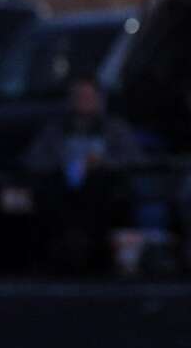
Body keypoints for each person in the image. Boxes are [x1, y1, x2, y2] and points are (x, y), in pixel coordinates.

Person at [21, 77, 143, 269]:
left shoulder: (114, 128)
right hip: (62, 188)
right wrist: (62, 163)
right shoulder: (55, 129)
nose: (83, 101)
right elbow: (33, 160)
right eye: (79, 96)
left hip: (103, 188)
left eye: (89, 97)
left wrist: (104, 163)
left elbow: (134, 159)